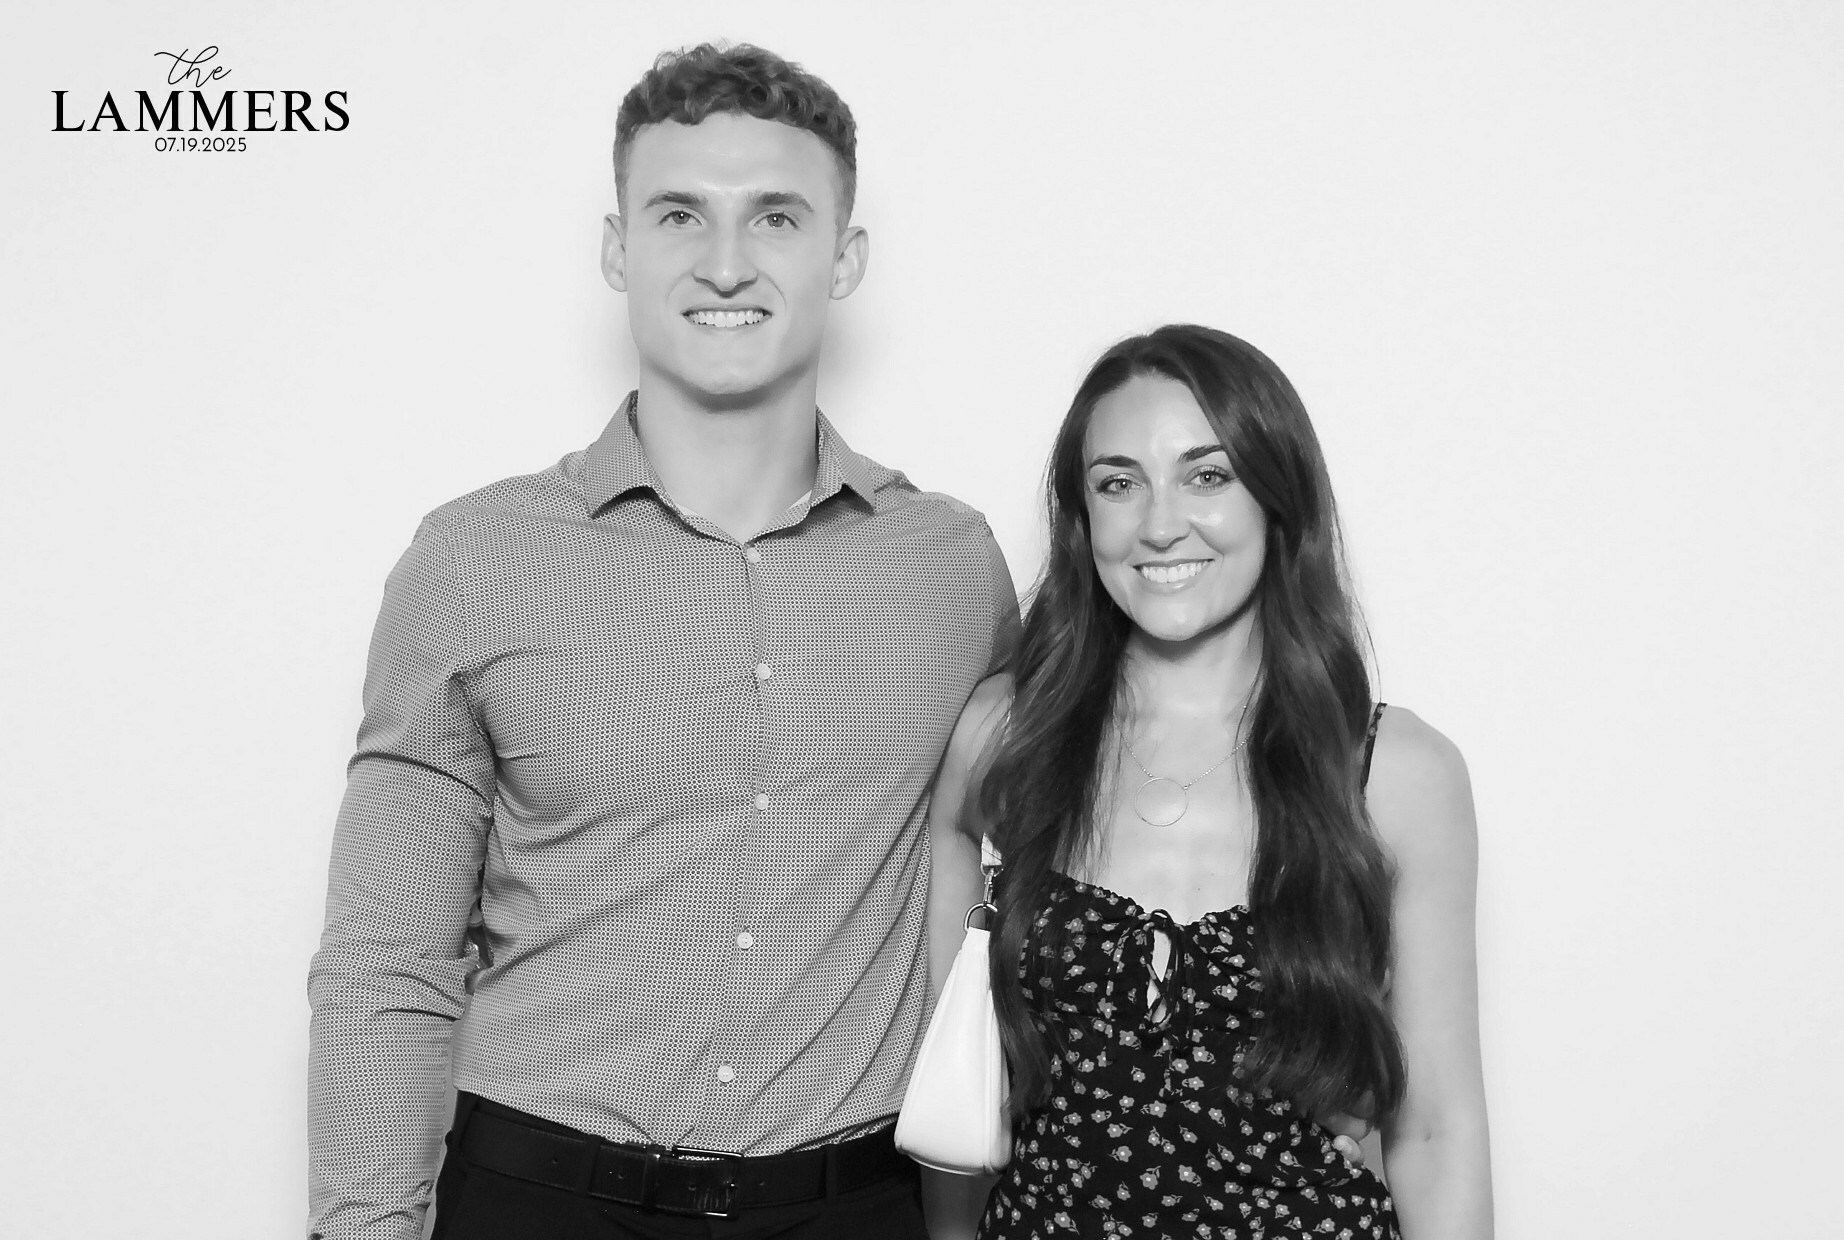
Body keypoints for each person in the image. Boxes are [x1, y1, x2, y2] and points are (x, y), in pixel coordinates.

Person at [307, 44, 1018, 1240]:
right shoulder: (473, 560)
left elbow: (1043, 870)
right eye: (680, 213)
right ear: (616, 249)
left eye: (775, 216)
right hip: (539, 1205)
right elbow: (388, 965)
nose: (726, 262)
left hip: (858, 1206)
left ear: (844, 258)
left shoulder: (951, 567)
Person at [927, 325, 1492, 1238]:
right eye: (1118, 483)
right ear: (1081, 517)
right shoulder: (1005, 738)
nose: (1159, 524)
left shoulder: (1394, 773)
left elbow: (1435, 1130)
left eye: (1207, 475)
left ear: (1277, 496)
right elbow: (949, 1114)